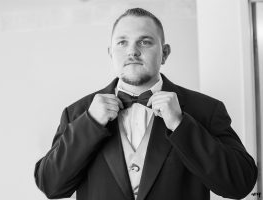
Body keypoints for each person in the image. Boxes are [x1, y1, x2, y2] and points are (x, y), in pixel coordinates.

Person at [34, 8, 257, 200]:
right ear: (111, 53)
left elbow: (240, 184)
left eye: (145, 41)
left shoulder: (206, 110)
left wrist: (181, 125)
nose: (132, 51)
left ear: (165, 53)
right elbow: (51, 185)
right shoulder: (78, 113)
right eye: (122, 42)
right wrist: (90, 125)